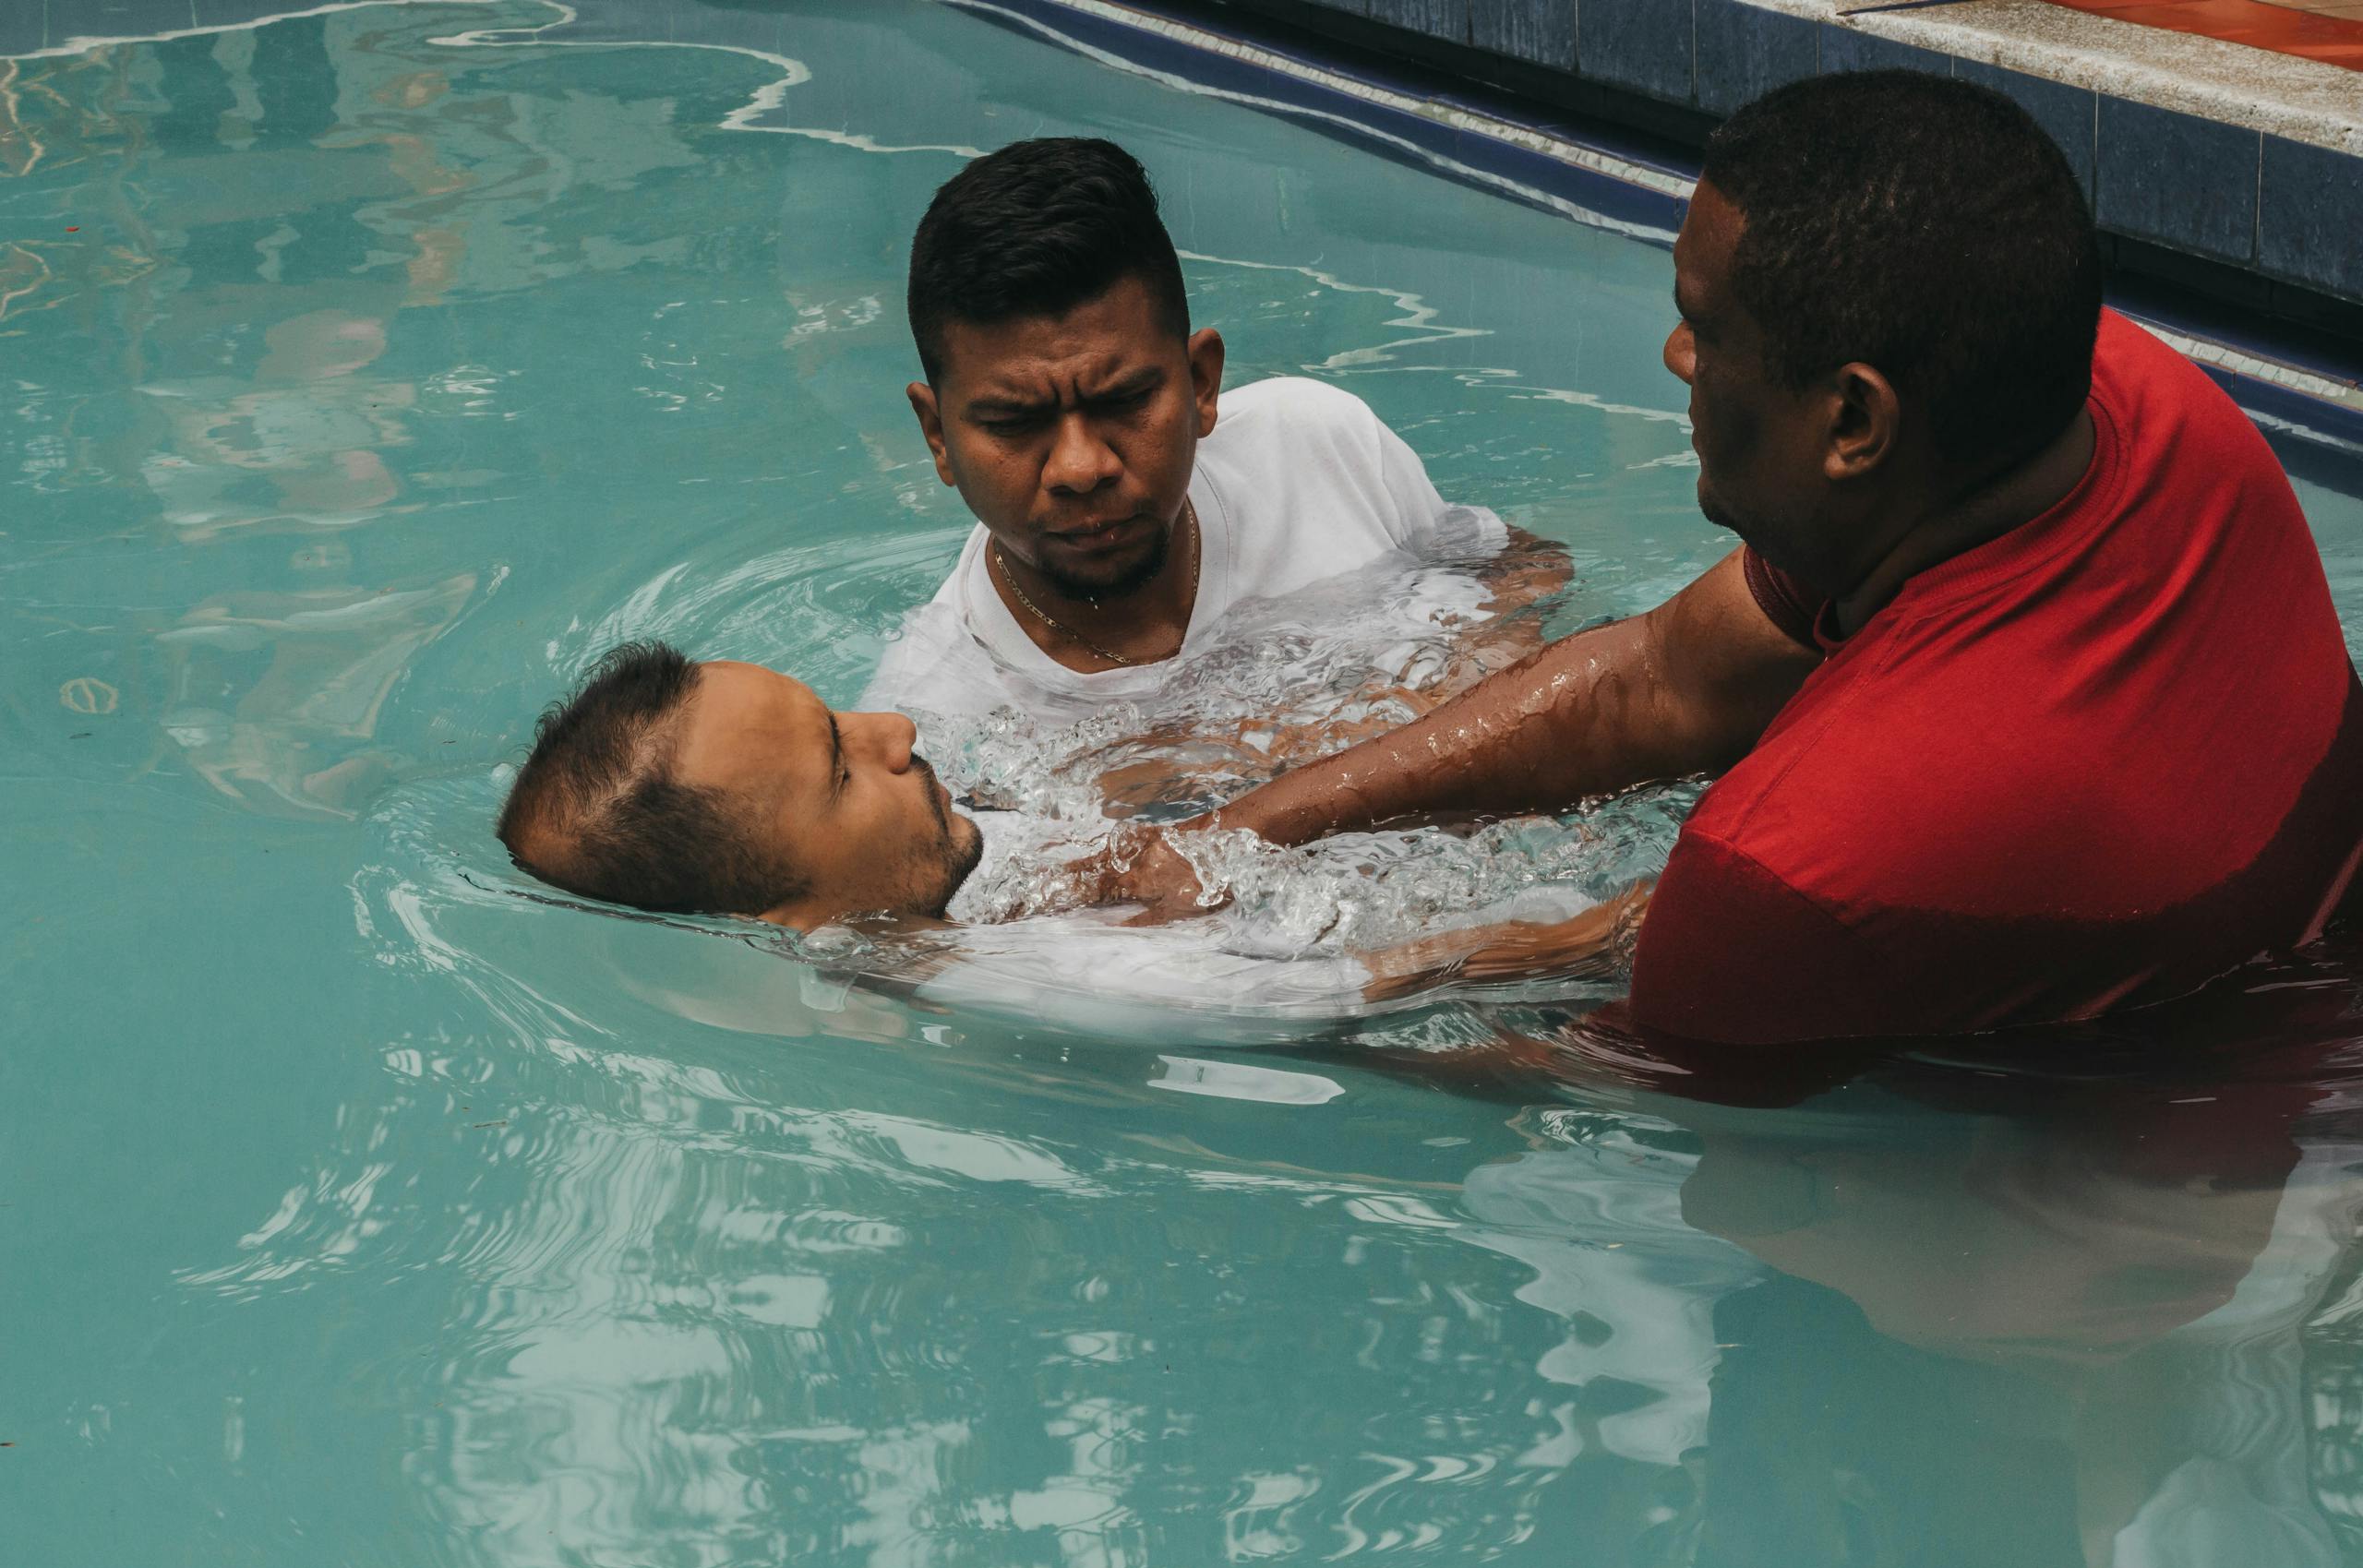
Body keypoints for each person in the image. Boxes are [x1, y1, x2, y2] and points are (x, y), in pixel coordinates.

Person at [1090, 70, 2363, 1044]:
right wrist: (1231, 833)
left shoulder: (1797, 862)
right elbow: (1662, 677)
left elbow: (1582, 1072)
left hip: (2226, 1141)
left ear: (1853, 421)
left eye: (1706, 328)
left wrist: (1170, 990)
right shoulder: (2140, 399)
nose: (1674, 362)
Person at [495, 642, 1640, 1023]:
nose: (893, 727)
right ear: (792, 923)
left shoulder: (921, 866)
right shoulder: (1037, 979)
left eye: (838, 713)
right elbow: (1389, 982)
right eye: (843, 767)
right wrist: (1620, 932)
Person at [862, 136, 1522, 729]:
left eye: (1123, 401)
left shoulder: (1321, 447)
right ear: (938, 435)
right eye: (1015, 423)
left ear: (1202, 383)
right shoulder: (932, 723)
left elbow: (1519, 573)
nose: (1080, 467)